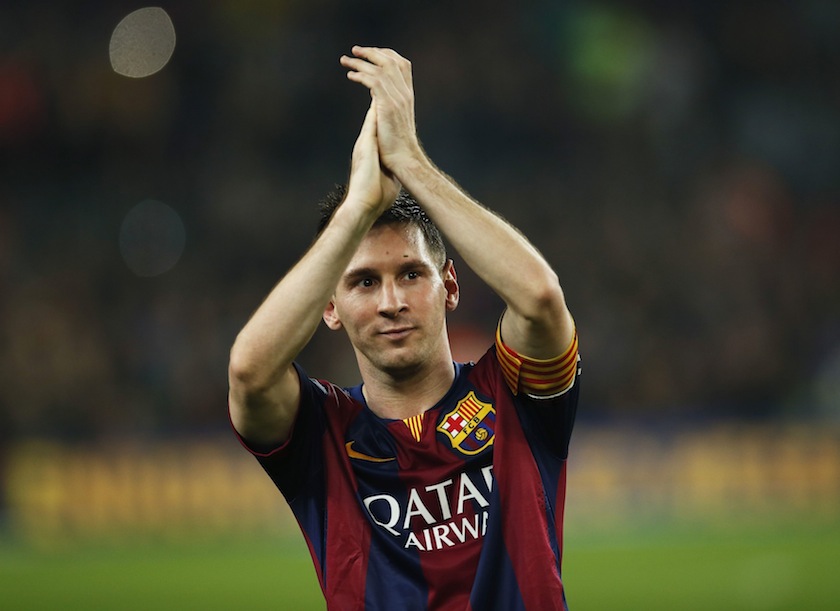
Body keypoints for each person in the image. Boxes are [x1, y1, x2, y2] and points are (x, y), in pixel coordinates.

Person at [228, 46, 581, 611]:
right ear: (330, 306)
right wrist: (358, 207)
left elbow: (539, 297)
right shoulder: (323, 437)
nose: (391, 301)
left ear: (451, 287)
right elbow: (249, 371)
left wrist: (411, 161)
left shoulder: (512, 395)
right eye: (364, 282)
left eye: (411, 274)